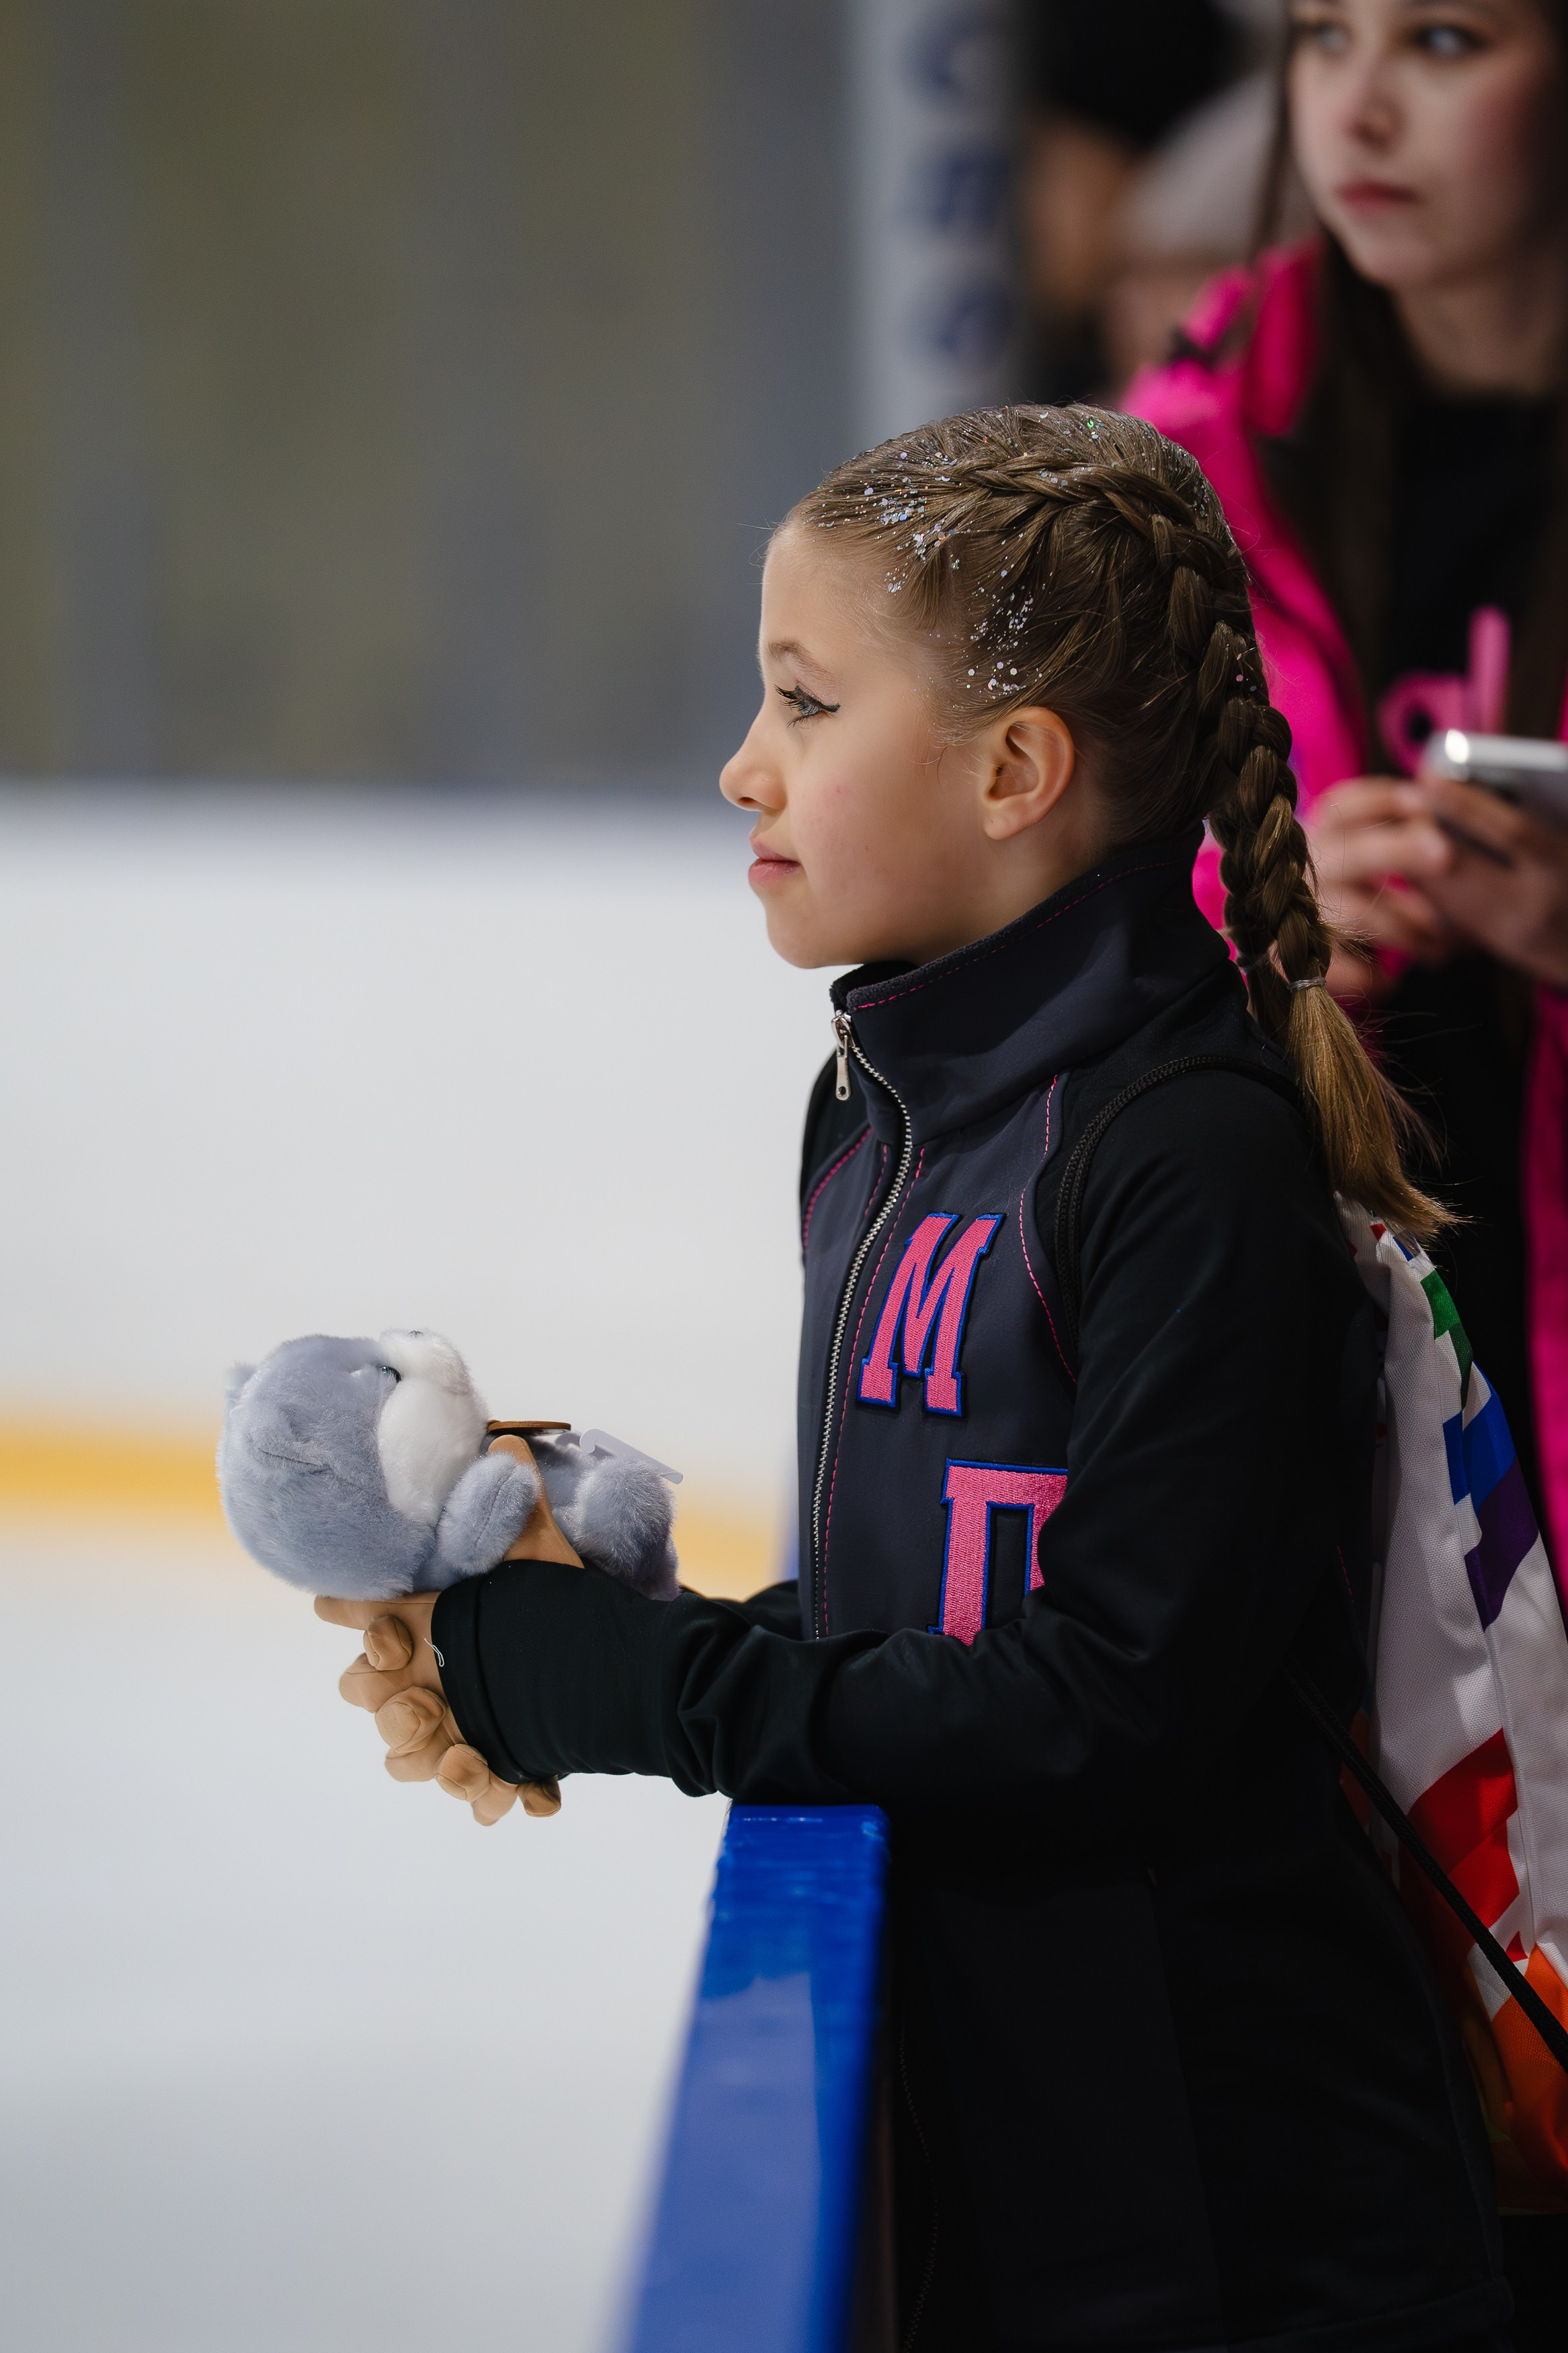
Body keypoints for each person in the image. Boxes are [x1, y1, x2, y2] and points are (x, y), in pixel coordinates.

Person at [323, 405, 1514, 2352]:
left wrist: (643, 1689)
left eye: (803, 701)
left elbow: (1113, 1703)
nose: (743, 763)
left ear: (1013, 771)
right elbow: (936, 1615)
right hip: (1033, 2189)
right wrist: (560, 1646)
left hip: (1251, 2243)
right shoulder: (876, 1111)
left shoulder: (1186, 1159)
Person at [1123, 0, 1568, 1595]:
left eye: (1443, 42)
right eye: (1322, 36)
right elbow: (1039, 906)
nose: (1357, 110)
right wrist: (1255, 911)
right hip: (1325, 1390)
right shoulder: (1181, 448)